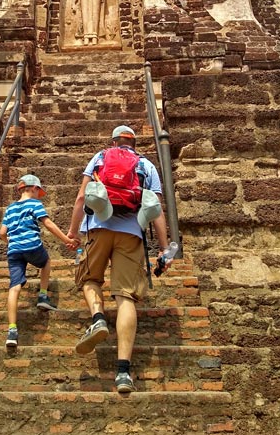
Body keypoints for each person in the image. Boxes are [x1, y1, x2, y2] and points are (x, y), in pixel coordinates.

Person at [67, 125, 172, 395]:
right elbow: (156, 209)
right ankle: (123, 372)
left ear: (113, 141)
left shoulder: (100, 157)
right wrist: (163, 249)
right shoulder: (146, 165)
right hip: (131, 233)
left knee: (89, 279)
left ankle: (99, 317)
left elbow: (82, 197)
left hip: (98, 228)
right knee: (126, 297)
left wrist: (73, 231)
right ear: (134, 144)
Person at [0, 174, 76, 348]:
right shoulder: (34, 204)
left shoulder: (10, 208)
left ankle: (12, 330)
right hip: (32, 245)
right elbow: (48, 224)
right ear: (34, 188)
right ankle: (42, 295)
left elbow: (2, 232)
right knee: (46, 262)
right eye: (38, 191)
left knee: (14, 286)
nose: (38, 194)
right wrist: (67, 240)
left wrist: (11, 242)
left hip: (14, 250)